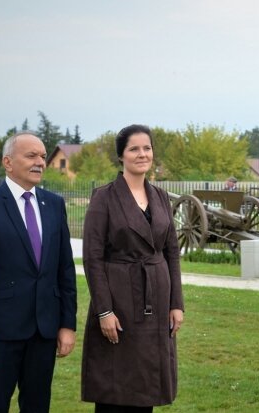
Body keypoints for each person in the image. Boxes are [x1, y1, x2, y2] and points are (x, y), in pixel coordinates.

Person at [0, 132, 77, 412]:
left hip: (44, 331)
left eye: (42, 155)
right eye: (31, 155)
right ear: (8, 162)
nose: (40, 162)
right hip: (0, 334)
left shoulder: (54, 204)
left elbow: (65, 270)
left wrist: (67, 324)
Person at [81, 124, 184, 412]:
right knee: (117, 383)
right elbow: (92, 257)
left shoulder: (161, 197)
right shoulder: (105, 197)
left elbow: (171, 253)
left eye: (147, 148)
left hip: (157, 300)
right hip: (120, 300)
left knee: (146, 387)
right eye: (134, 149)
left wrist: (177, 303)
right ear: (121, 156)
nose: (142, 154)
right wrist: (104, 310)